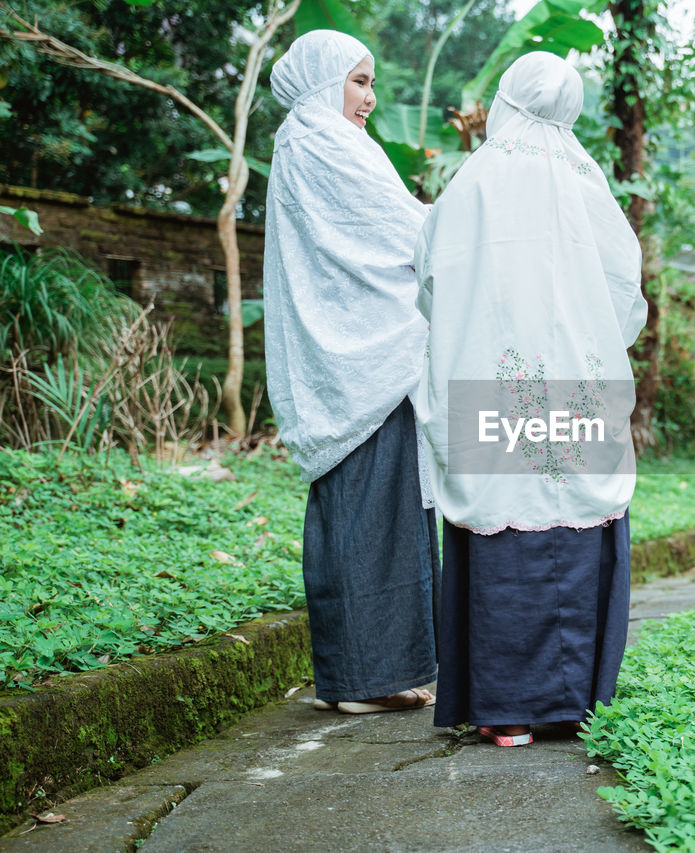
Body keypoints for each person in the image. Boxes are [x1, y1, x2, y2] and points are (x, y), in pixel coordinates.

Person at [413, 52, 647, 747]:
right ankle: (576, 703)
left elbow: (432, 278)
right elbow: (624, 290)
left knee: (504, 520)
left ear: (508, 98)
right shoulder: (587, 179)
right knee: (574, 517)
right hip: (578, 388)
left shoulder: (475, 180)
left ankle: (506, 708)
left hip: (495, 382)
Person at [264, 29, 439, 714]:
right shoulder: (321, 141)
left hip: (359, 357)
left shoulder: (307, 142)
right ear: (323, 77)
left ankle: (381, 672)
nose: (369, 98)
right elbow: (400, 234)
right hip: (362, 357)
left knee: (378, 512)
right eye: (359, 81)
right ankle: (363, 678)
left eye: (371, 84)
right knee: (367, 513)